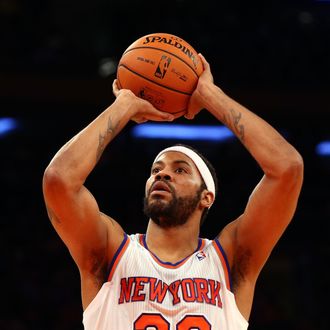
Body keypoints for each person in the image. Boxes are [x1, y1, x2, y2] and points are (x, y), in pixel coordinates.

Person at [42, 54, 304, 330]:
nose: (162, 174)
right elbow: (60, 180)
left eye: (180, 170)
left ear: (207, 197)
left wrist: (209, 94)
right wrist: (123, 106)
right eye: (156, 170)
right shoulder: (110, 252)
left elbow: (287, 167)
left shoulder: (232, 260)